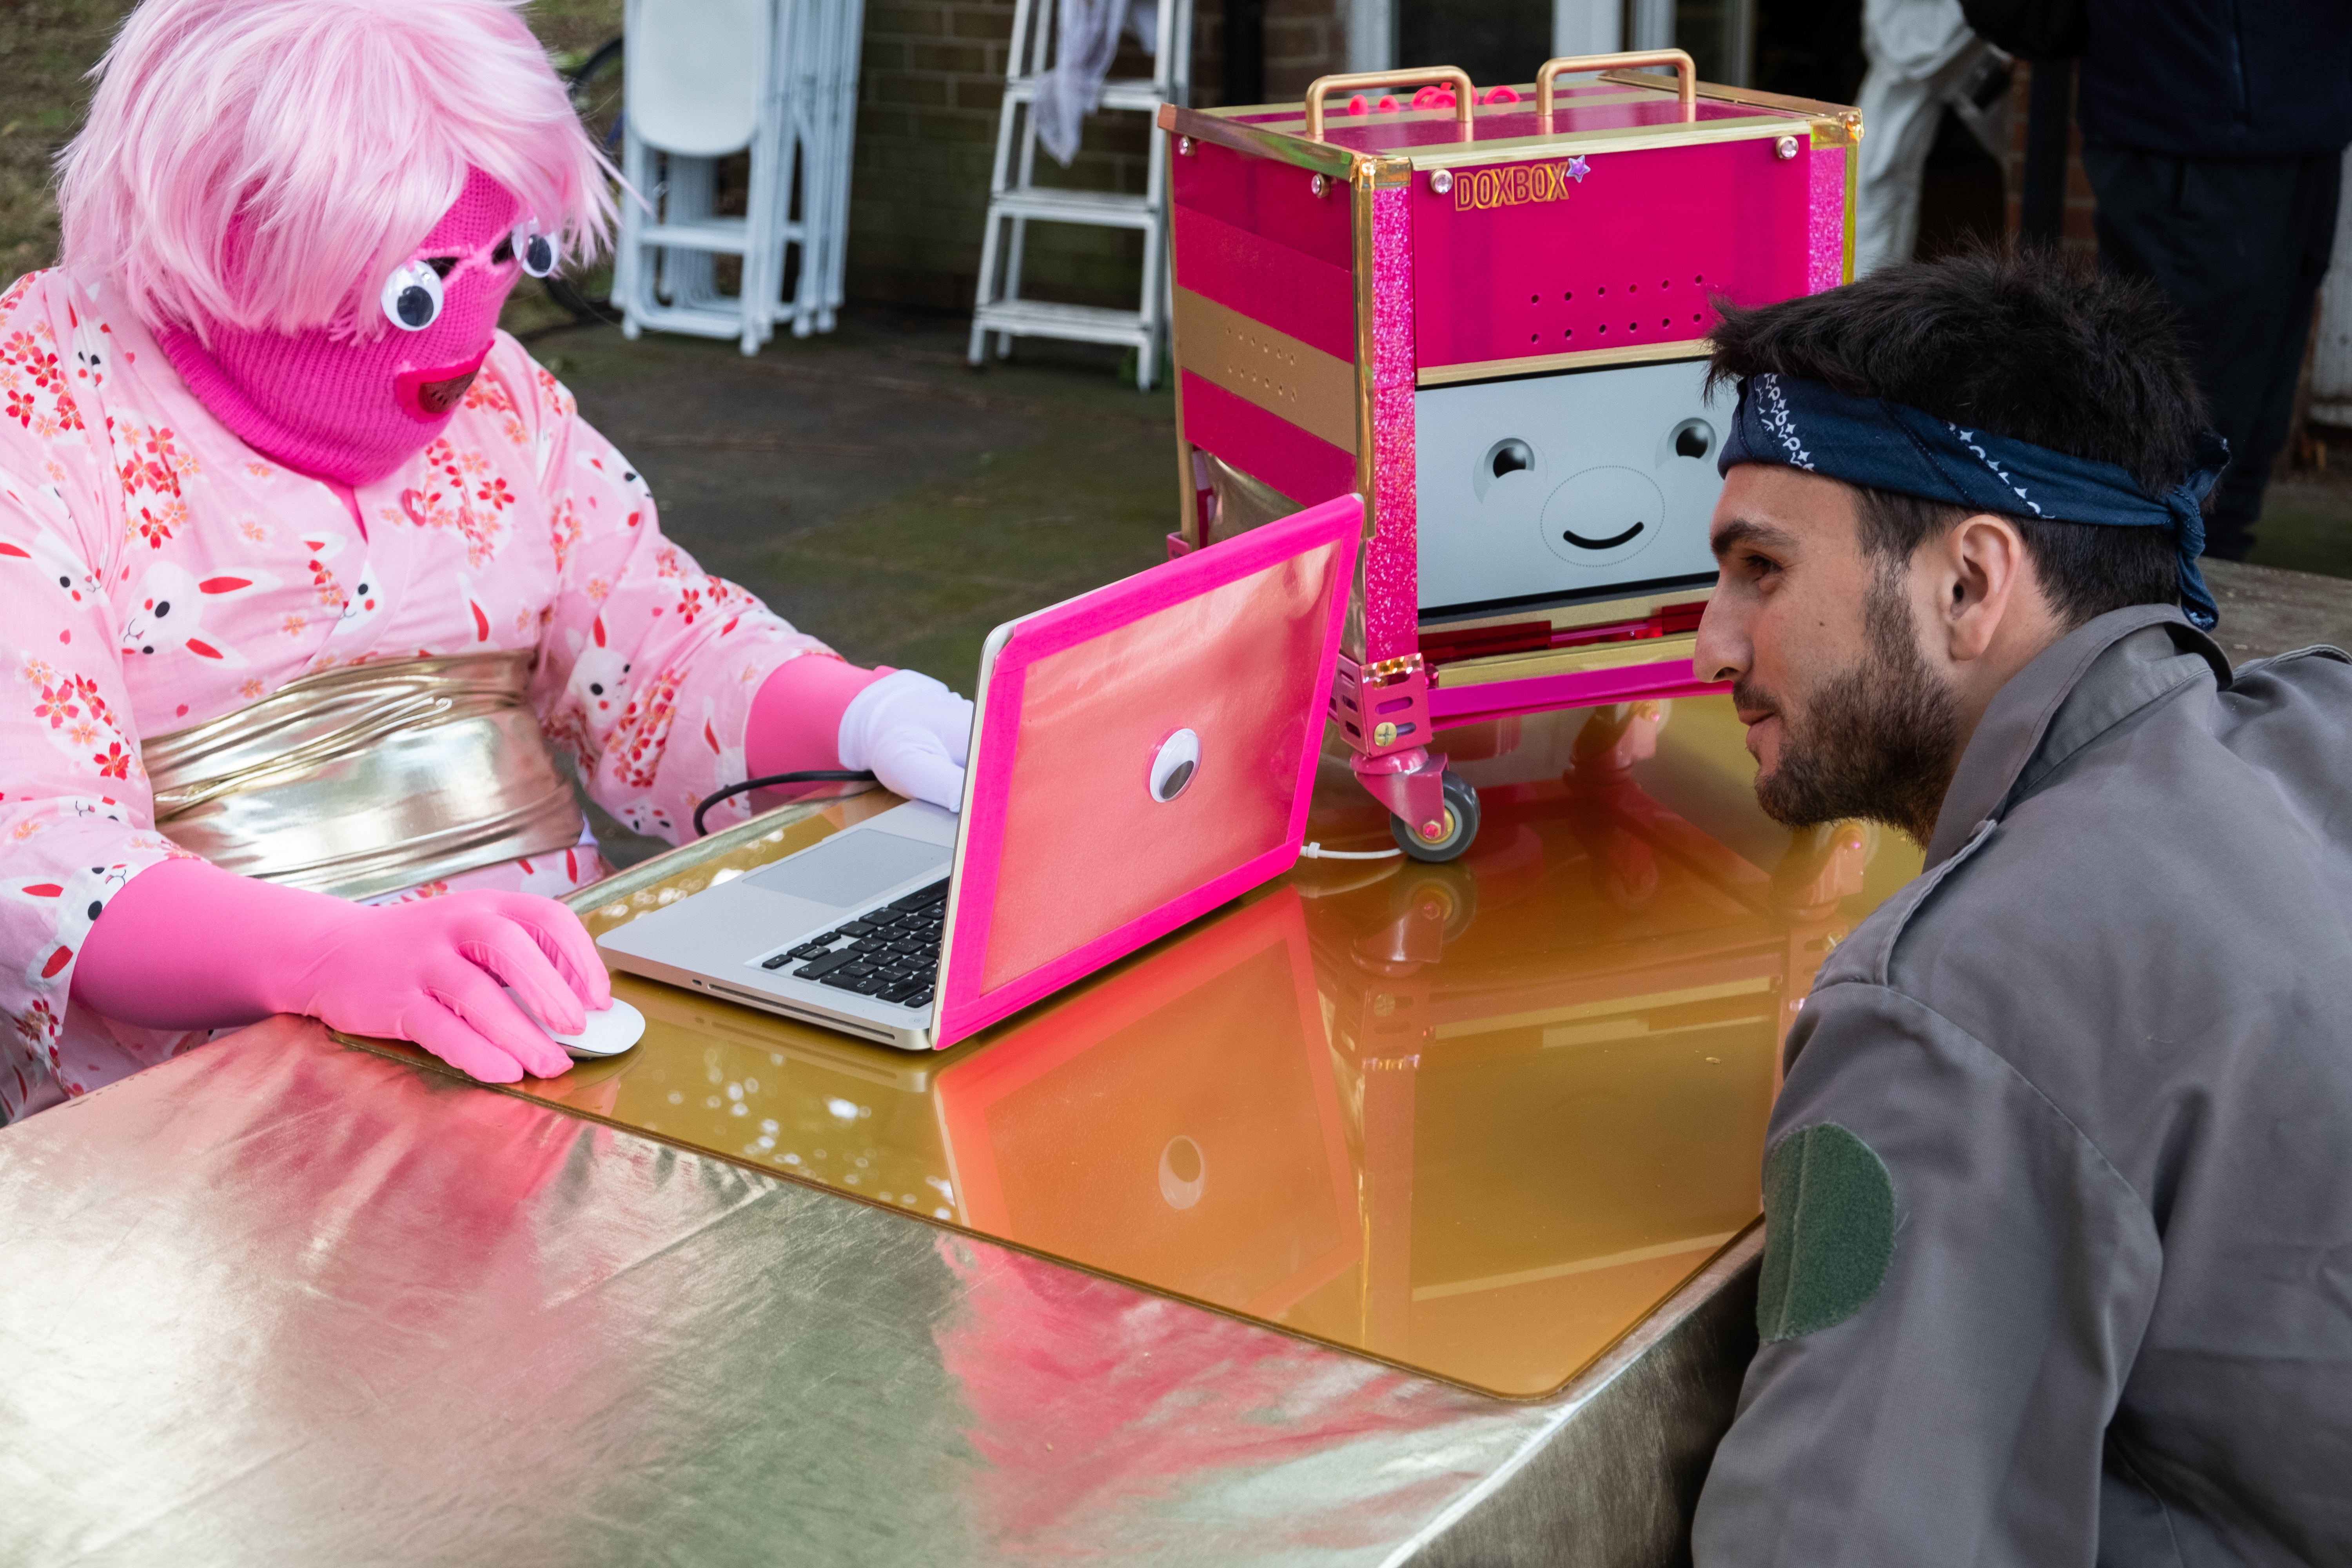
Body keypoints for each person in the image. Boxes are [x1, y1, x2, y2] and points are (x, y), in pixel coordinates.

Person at [0, 0, 973, 1120]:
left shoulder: (503, 396)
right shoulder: (44, 414)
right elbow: (32, 838)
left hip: (556, 1027)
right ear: (235, 226)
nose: (465, 336)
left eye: (509, 252)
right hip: (213, 1105)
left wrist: (863, 716)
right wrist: (327, 959)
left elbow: (653, 643)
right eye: (414, 284)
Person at [1685, 247, 2352, 1562]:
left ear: (1971, 584)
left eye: (1761, 568)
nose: (1712, 640)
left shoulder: (1954, 1001)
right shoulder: (2324, 726)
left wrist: (1912, 1041)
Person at [2073, 0, 2350, 560]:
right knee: (2183, 453)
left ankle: (2198, 611)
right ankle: (2163, 619)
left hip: (2294, 108)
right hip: (2190, 114)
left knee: (2237, 446)